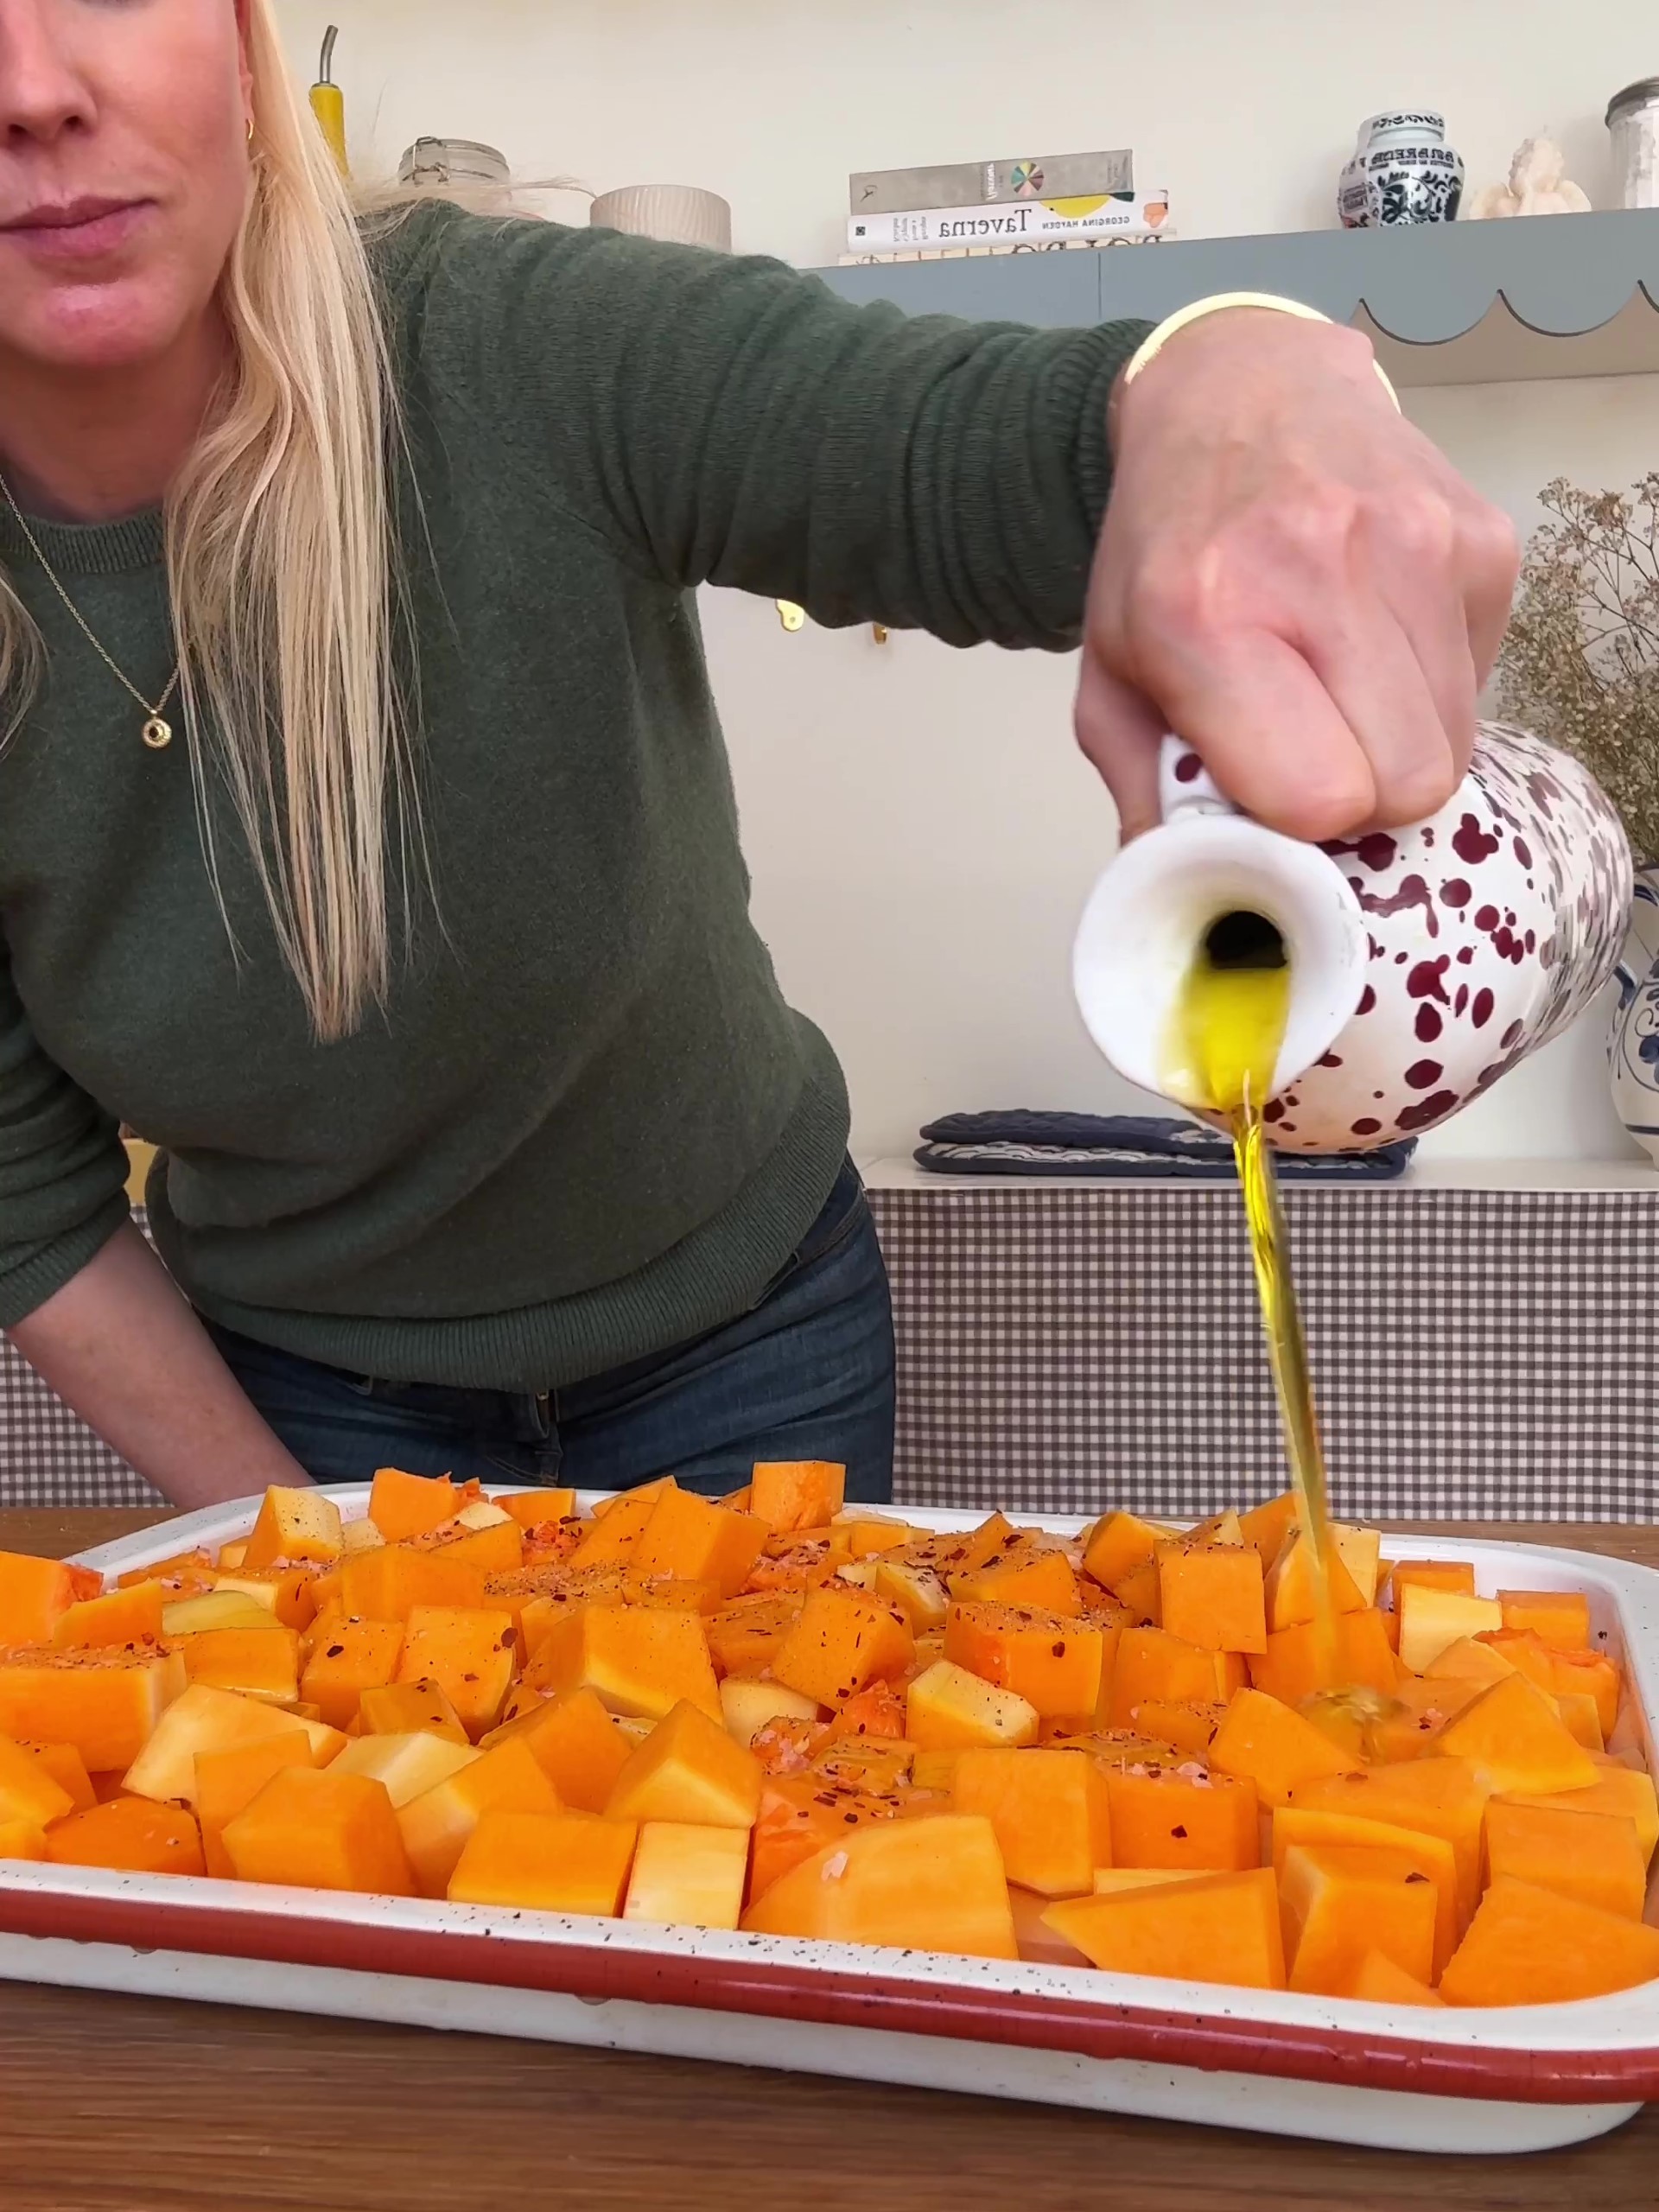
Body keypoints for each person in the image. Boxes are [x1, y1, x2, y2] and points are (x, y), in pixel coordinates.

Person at [0, 0, 1518, 1510]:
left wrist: (1236, 382)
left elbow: (975, 449)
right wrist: (292, 1541)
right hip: (298, 1400)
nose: (34, 90)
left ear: (240, 39)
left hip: (743, 1353)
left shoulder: (509, 344)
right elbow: (24, 1191)